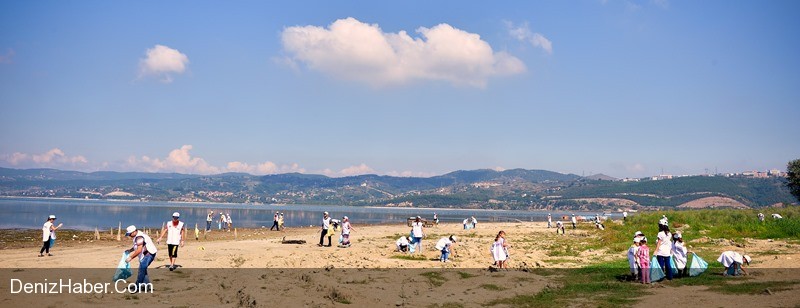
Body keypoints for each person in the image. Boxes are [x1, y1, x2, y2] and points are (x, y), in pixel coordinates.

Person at [124, 225, 158, 292]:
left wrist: (130, 258)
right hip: (147, 254)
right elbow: (136, 246)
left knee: (141, 269)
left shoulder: (139, 237)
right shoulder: (137, 235)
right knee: (143, 269)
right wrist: (130, 250)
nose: (129, 236)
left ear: (134, 232)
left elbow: (139, 250)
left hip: (149, 254)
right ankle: (147, 286)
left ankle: (137, 286)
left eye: (130, 234)